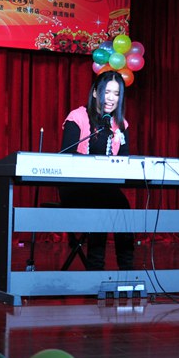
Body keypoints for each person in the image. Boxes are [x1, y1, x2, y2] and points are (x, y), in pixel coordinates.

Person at [59, 70, 134, 270]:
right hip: (76, 187)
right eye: (106, 92)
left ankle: (128, 270)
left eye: (116, 94)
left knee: (123, 207)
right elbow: (66, 158)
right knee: (103, 204)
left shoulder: (121, 125)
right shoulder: (77, 117)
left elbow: (125, 160)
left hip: (105, 188)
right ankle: (95, 269)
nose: (111, 98)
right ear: (95, 93)